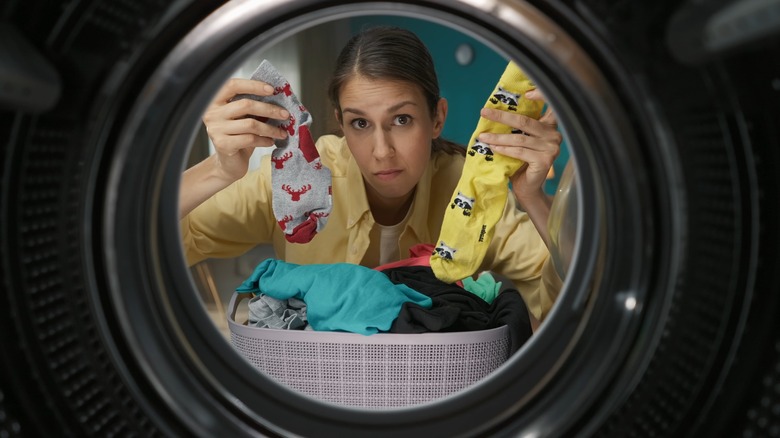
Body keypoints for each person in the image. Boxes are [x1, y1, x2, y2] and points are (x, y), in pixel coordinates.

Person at [179, 26, 563, 329]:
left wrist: (534, 198)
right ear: (340, 123)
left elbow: (573, 302)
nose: (382, 151)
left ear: (437, 119)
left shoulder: (473, 190)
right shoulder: (299, 178)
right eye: (360, 123)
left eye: (401, 120)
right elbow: (152, 242)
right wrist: (219, 170)